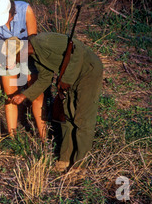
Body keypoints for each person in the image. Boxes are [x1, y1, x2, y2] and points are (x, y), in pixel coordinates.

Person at [6, 33, 103, 173]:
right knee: (67, 117)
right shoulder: (36, 57)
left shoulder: (44, 41)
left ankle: (79, 166)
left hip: (88, 72)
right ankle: (64, 159)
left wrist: (66, 80)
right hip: (68, 81)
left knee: (82, 120)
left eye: (15, 58)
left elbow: (78, 51)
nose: (15, 62)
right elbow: (45, 79)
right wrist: (24, 95)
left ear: (22, 50)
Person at [0, 0, 46, 139]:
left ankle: (44, 137)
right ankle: (13, 138)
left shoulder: (26, 10)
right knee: (10, 95)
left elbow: (33, 41)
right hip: (6, 53)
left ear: (12, 13)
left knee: (36, 93)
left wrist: (19, 57)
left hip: (28, 50)